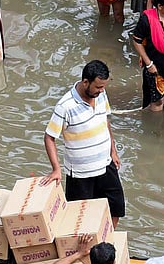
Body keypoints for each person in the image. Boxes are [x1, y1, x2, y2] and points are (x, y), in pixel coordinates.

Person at [42, 61, 124, 227]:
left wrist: (113, 151)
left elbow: (105, 121)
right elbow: (49, 137)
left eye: (103, 87)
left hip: (106, 165)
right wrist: (56, 169)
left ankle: (107, 239)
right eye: (98, 87)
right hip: (81, 174)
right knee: (78, 219)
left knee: (116, 208)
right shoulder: (65, 106)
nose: (101, 91)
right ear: (86, 82)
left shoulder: (101, 95)